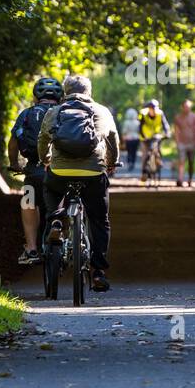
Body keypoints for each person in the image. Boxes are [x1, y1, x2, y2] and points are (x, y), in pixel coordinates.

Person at [37, 74, 121, 292]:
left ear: (65, 92)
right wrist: (111, 163)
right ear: (89, 92)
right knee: (99, 219)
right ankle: (99, 273)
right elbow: (112, 140)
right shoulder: (102, 111)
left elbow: (43, 139)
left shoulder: (54, 112)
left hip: (61, 171)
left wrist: (45, 159)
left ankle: (55, 221)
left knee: (51, 188)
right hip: (93, 173)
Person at [7, 76, 62, 265]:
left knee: (28, 201)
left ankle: (31, 249)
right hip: (60, 171)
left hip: (34, 171)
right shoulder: (66, 112)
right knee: (66, 200)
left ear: (35, 96)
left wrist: (14, 163)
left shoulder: (27, 114)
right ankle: (62, 231)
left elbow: (13, 142)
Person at [138, 98, 170, 184]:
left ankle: (158, 161)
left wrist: (167, 133)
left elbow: (165, 125)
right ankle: (144, 172)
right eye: (152, 109)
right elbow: (140, 127)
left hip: (156, 136)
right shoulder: (143, 114)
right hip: (145, 137)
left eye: (155, 108)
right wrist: (144, 136)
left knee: (157, 149)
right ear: (149, 109)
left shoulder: (160, 114)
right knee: (146, 154)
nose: (154, 111)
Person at [172, 99, 195, 187]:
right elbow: (176, 130)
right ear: (182, 107)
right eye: (185, 107)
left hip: (192, 143)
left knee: (191, 162)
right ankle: (180, 179)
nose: (187, 108)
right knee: (182, 161)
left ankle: (190, 179)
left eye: (188, 107)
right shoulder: (178, 118)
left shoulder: (194, 117)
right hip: (182, 143)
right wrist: (177, 141)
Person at [120, 106, 141, 172]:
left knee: (129, 152)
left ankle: (129, 162)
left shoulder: (126, 123)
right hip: (136, 139)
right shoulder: (137, 123)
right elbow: (139, 132)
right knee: (134, 152)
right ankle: (133, 163)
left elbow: (124, 132)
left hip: (128, 139)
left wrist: (123, 141)